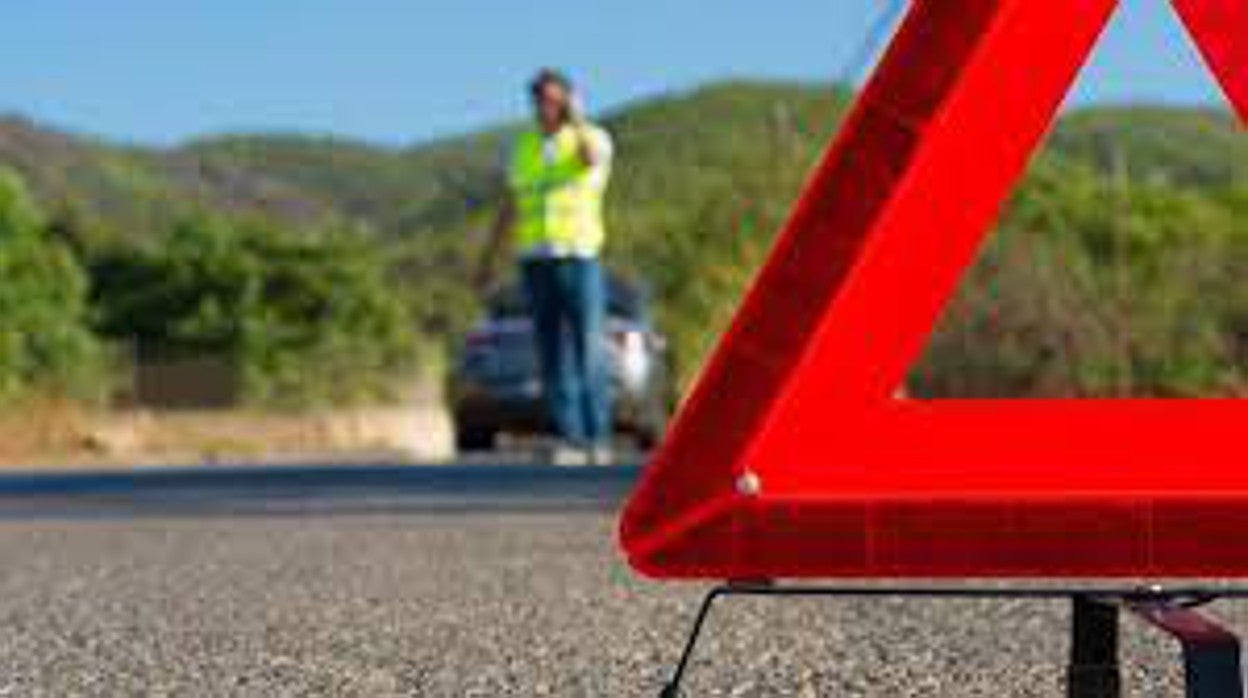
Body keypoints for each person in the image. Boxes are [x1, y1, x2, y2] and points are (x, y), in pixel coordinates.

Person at [477, 69, 615, 462]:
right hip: (535, 260)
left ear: (569, 100)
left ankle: (598, 437)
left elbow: (591, 160)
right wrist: (488, 259)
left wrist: (577, 120)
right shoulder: (524, 147)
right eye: (540, 100)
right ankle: (571, 438)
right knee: (552, 352)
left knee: (589, 347)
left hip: (579, 255)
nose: (546, 107)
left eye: (555, 99)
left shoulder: (591, 138)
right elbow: (509, 205)